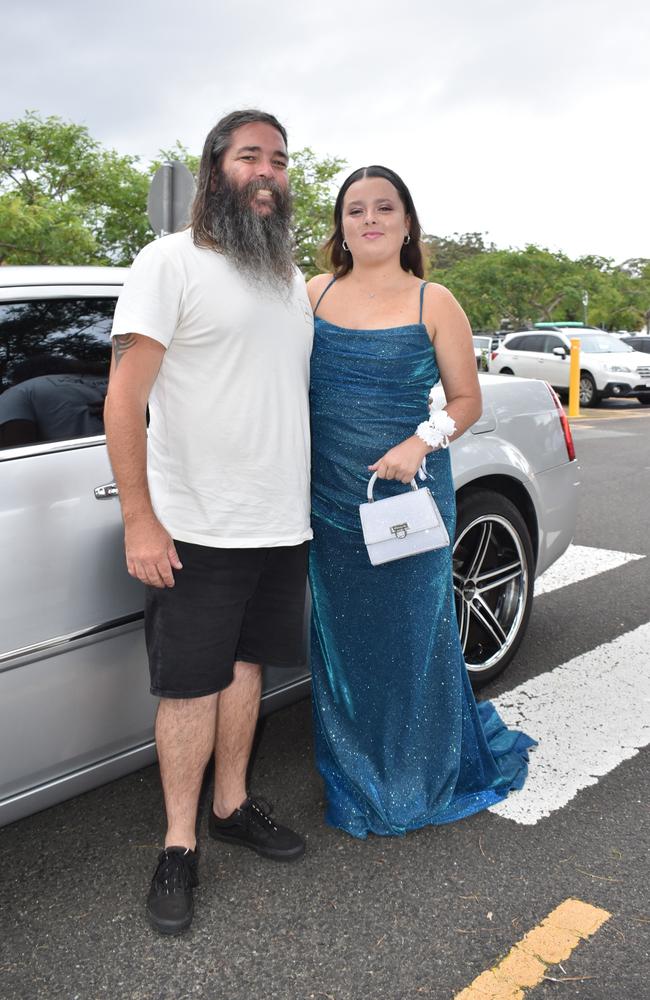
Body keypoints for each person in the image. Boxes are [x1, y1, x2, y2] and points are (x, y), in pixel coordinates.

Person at [104, 110, 313, 934]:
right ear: (215, 169)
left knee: (249, 668)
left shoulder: (287, 279)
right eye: (251, 157)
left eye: (281, 161)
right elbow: (124, 399)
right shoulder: (169, 262)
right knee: (190, 685)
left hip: (277, 523)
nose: (268, 171)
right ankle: (180, 842)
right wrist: (140, 520)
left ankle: (232, 803)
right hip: (195, 524)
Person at [306, 165, 534, 839]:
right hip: (330, 501)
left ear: (407, 223)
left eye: (384, 208)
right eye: (355, 210)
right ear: (340, 227)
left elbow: (467, 400)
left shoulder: (435, 301)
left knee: (411, 638)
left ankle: (418, 774)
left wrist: (419, 441)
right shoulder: (312, 295)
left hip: (407, 497)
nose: (369, 219)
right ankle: (355, 769)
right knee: (344, 647)